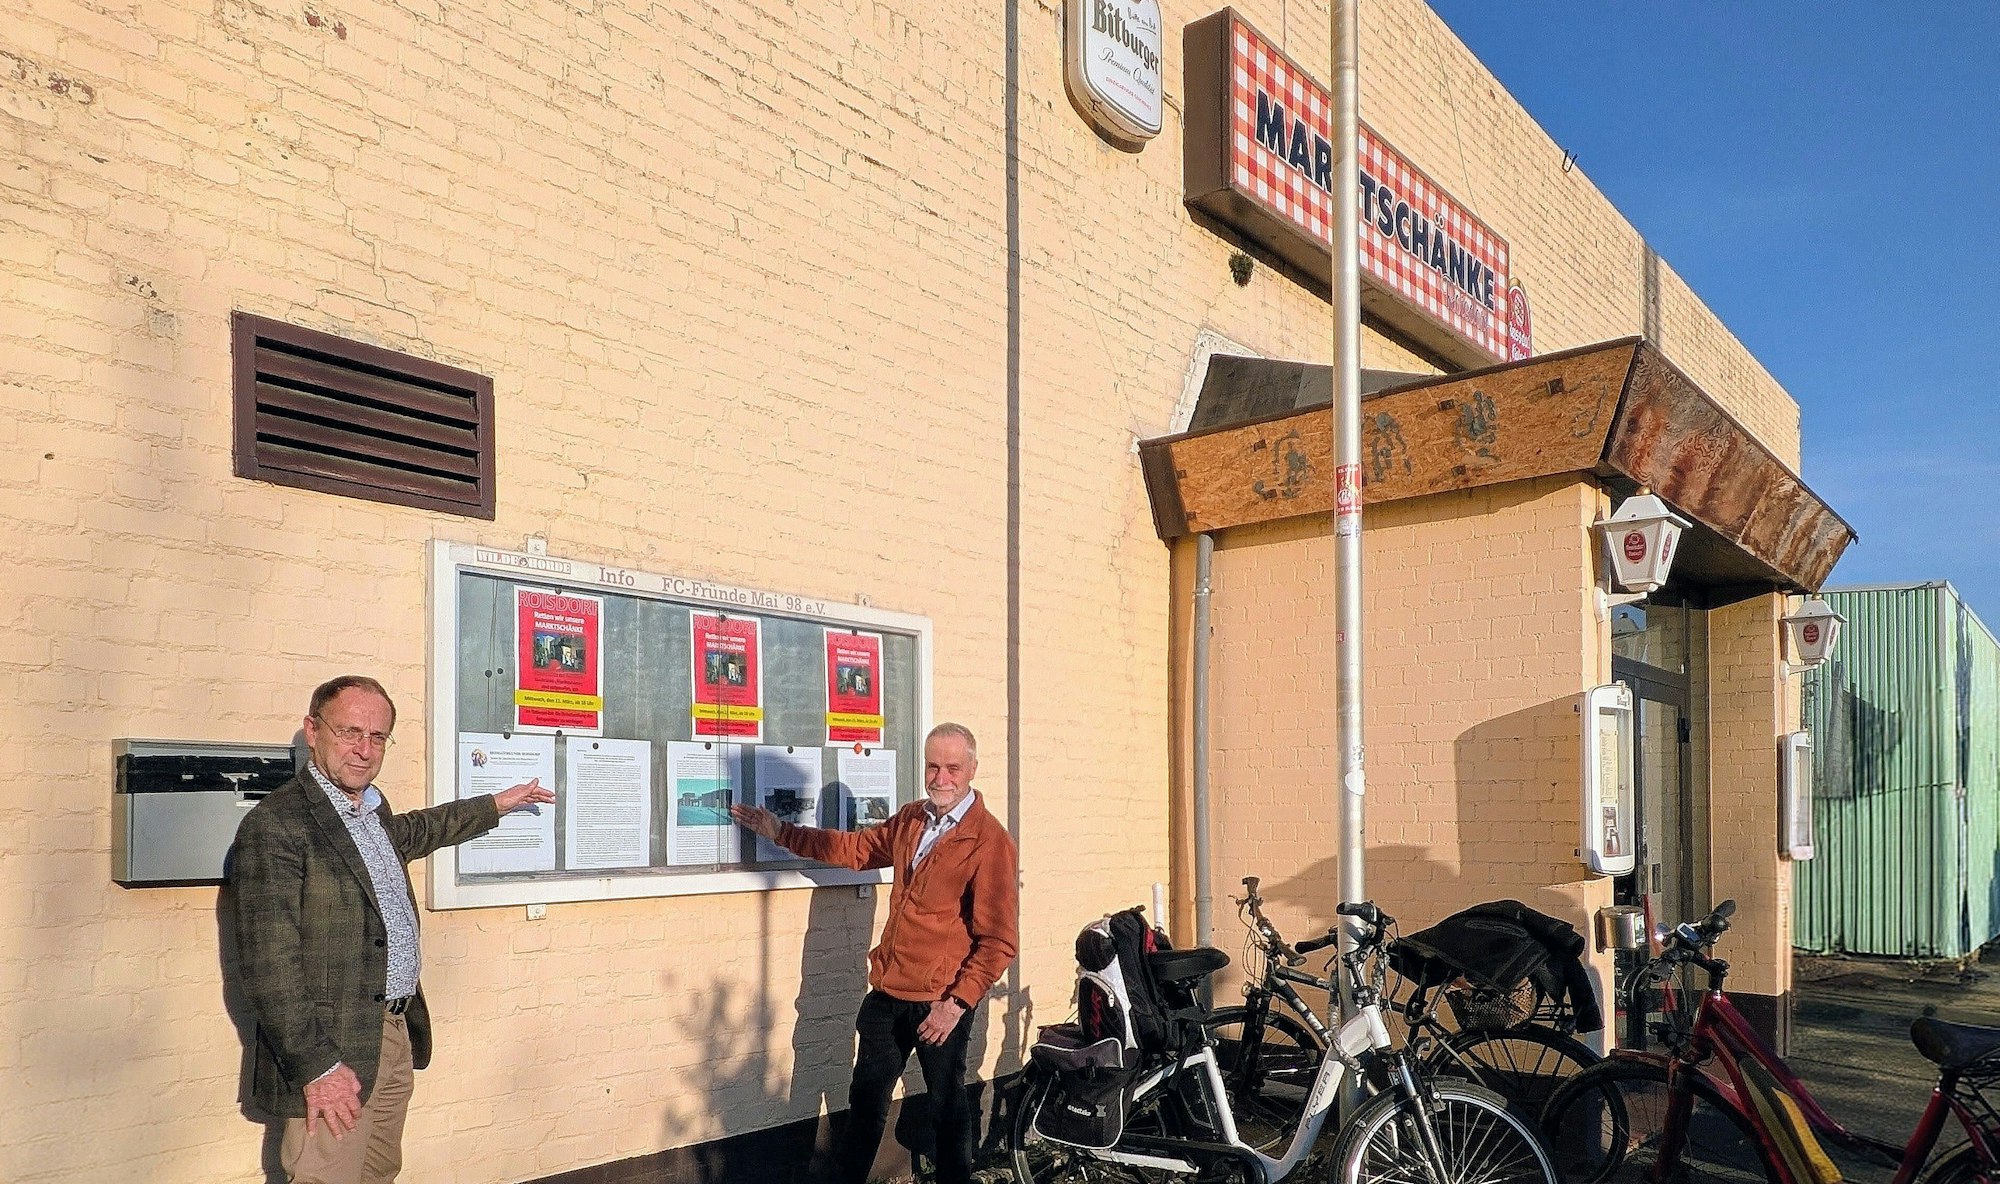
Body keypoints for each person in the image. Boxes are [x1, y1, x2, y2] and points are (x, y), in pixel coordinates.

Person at [229, 675, 555, 1184]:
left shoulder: (370, 814)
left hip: (391, 1031)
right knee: (327, 1177)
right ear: (313, 731)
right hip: (332, 1048)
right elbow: (269, 968)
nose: (364, 750)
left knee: (381, 1171)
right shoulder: (279, 826)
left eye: (377, 737)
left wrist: (496, 804)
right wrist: (318, 1067)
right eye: (350, 732)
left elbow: (421, 829)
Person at [730, 722, 1018, 1184]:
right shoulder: (911, 820)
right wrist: (781, 831)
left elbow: (999, 940)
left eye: (953, 768)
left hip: (940, 1001)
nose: (941, 777)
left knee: (946, 1111)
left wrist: (955, 1004)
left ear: (972, 770)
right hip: (888, 994)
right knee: (865, 1106)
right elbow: (854, 848)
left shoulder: (989, 841)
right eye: (932, 766)